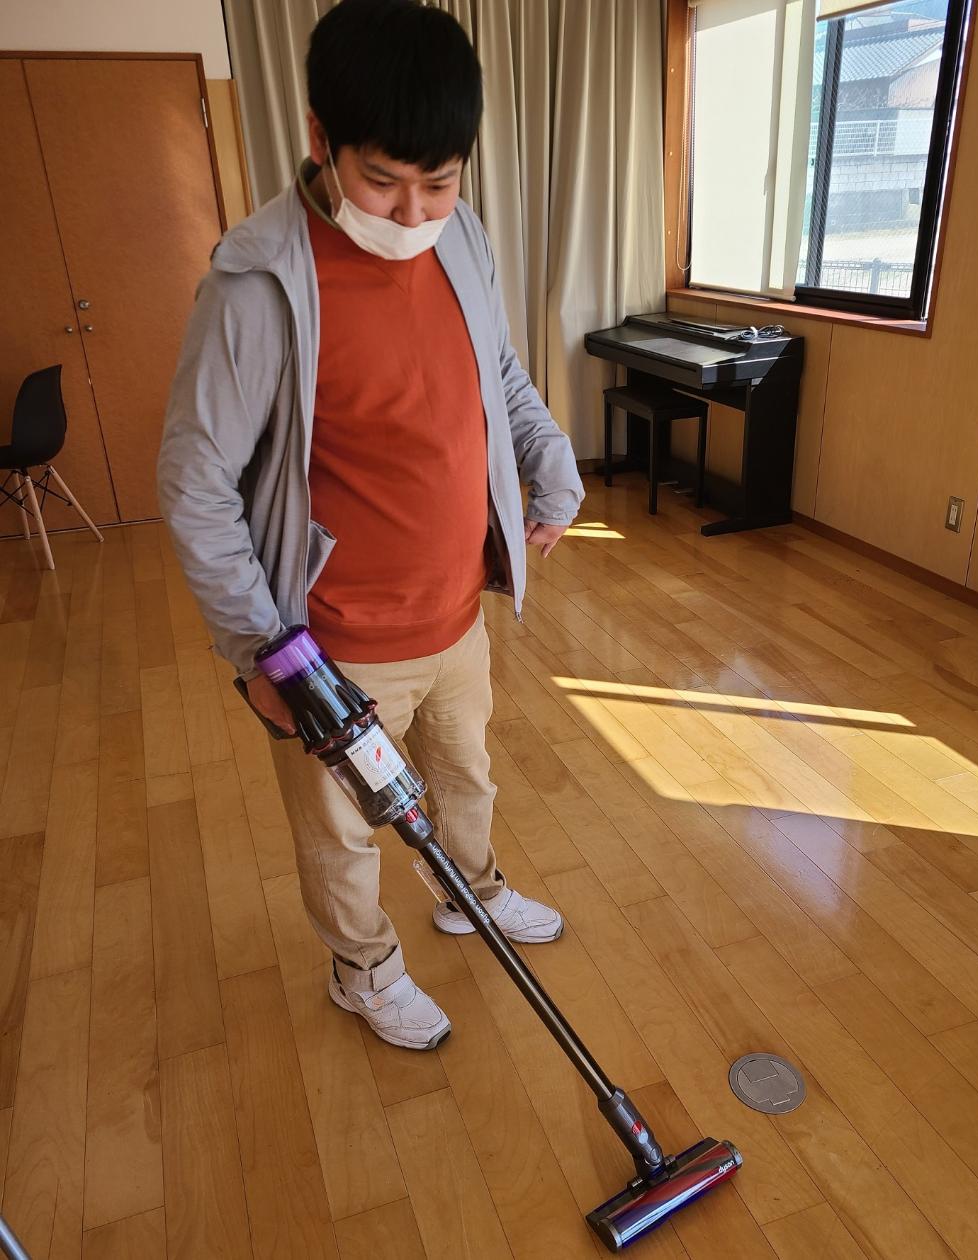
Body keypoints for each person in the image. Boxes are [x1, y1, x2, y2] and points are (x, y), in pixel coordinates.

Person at [159, 0, 584, 1051]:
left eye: (440, 181)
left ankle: (470, 892)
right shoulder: (258, 283)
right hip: (332, 643)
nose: (412, 211)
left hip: (455, 613)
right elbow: (196, 481)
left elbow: (497, 374)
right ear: (321, 139)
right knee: (341, 833)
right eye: (384, 179)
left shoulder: (461, 236)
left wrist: (548, 455)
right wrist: (262, 647)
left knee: (466, 778)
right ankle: (364, 969)